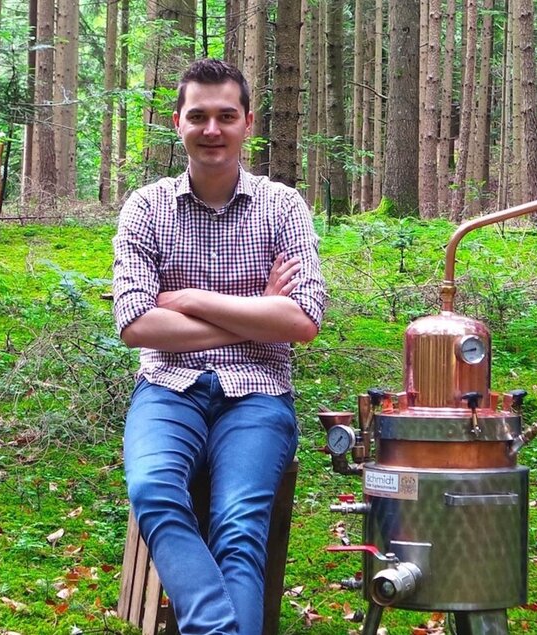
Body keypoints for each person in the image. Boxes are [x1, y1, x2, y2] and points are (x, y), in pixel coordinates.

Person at [111, 58, 325, 635]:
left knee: (238, 523)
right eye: (198, 116)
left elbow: (303, 319)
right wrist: (256, 315)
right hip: (166, 387)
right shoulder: (146, 207)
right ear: (177, 121)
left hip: (257, 394)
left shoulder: (283, 206)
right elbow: (135, 323)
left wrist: (188, 299)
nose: (212, 129)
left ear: (247, 123)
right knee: (154, 489)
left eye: (226, 116)